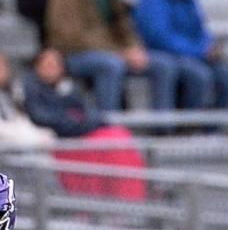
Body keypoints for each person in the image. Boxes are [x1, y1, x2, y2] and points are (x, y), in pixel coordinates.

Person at [45, 0, 176, 114]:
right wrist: (120, 52)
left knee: (164, 65)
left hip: (113, 52)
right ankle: (108, 125)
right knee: (111, 65)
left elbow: (123, 25)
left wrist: (134, 47)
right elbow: (72, 36)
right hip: (74, 54)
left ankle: (164, 128)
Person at [23, 47, 146, 201]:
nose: (51, 68)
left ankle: (129, 197)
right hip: (64, 141)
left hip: (81, 133)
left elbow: (88, 113)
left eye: (55, 64)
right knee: (107, 141)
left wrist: (81, 122)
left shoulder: (69, 87)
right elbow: (46, 119)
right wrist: (77, 123)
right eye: (46, 64)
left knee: (118, 134)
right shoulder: (33, 90)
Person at [133, 0, 228, 113]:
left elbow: (199, 29)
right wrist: (198, 51)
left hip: (192, 54)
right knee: (199, 76)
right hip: (166, 54)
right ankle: (187, 128)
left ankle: (211, 129)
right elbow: (159, 37)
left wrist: (208, 46)